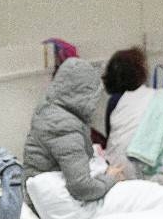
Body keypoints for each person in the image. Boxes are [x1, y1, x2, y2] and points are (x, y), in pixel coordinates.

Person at [23, 57, 125, 208]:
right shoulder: (65, 126)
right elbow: (82, 187)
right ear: (85, 94)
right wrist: (111, 178)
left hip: (43, 201)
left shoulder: (50, 111)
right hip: (57, 206)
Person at [102, 46, 152, 179]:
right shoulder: (153, 97)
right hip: (146, 169)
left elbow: (111, 136)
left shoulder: (115, 101)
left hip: (118, 171)